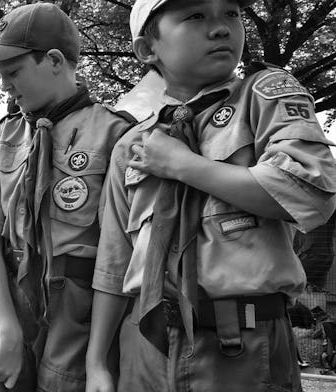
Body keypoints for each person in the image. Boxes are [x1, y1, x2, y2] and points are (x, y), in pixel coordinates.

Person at [86, 0, 336, 391]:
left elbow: (309, 192)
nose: (221, 28)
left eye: (231, 14)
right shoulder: (133, 144)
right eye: (196, 15)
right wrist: (97, 362)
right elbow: (114, 261)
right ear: (147, 49)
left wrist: (182, 165)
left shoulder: (263, 96)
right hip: (145, 346)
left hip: (244, 347)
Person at [0, 3, 135, 390]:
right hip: (10, 300)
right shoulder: (6, 136)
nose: (4, 85)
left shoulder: (115, 133)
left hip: (78, 309)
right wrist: (6, 328)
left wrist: (98, 359)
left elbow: (115, 254)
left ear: (54, 60)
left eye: (13, 72)